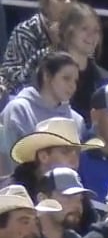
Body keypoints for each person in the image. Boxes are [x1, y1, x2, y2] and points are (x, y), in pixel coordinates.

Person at [0, 53, 83, 181]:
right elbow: (10, 163)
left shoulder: (77, 120)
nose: (73, 86)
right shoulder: (19, 110)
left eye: (75, 81)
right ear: (46, 76)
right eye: (66, 78)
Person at [0, 0, 80, 96]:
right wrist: (52, 49)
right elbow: (16, 83)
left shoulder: (79, 34)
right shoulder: (26, 31)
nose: (68, 2)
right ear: (45, 2)